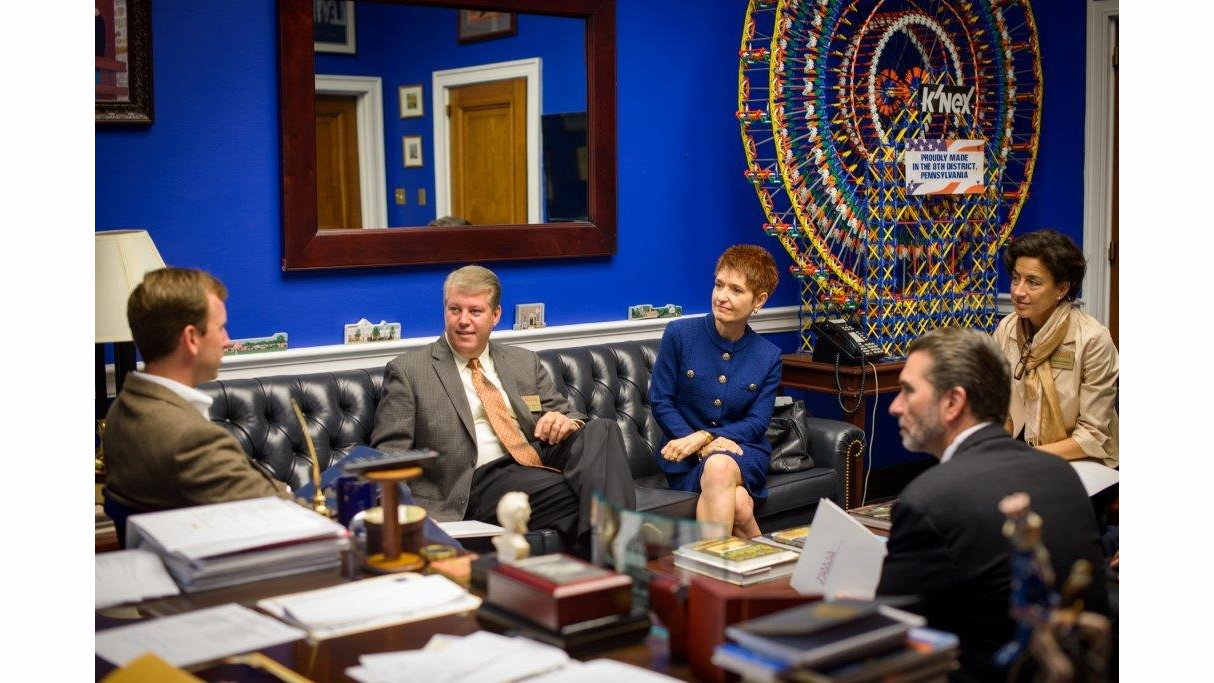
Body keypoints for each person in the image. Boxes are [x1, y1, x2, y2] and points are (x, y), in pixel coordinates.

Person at [877, 326, 1108, 681]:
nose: (895, 406)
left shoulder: (927, 499)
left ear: (953, 402)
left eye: (908, 391)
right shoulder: (1061, 473)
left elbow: (890, 636)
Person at [371, 265, 635, 551]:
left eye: (475, 311)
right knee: (588, 496)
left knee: (602, 428)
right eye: (454, 309)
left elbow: (562, 410)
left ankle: (611, 562)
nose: (463, 321)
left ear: (495, 315)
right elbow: (389, 456)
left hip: (535, 454)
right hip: (476, 479)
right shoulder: (410, 371)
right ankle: (619, 563)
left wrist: (565, 420)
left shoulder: (522, 361)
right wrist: (409, 516)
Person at [102, 268, 289, 511]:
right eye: (220, 328)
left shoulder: (122, 409)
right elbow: (280, 510)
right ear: (191, 338)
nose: (226, 339)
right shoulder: (189, 440)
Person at [649, 244, 782, 539]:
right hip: (684, 458)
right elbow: (661, 401)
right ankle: (768, 567)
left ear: (759, 300)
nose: (722, 296)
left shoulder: (768, 355)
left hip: (745, 452)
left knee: (720, 466)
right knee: (739, 505)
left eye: (736, 290)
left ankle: (707, 577)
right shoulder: (679, 335)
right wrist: (695, 444)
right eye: (719, 284)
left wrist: (707, 437)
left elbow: (757, 423)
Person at [993, 229, 1118, 468]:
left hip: (1086, 461)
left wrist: (1024, 459)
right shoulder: (1007, 329)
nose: (1018, 291)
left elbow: (1092, 436)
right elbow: (998, 406)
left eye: (1033, 282)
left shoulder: (1092, 339)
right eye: (1016, 278)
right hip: (1022, 453)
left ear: (1061, 290)